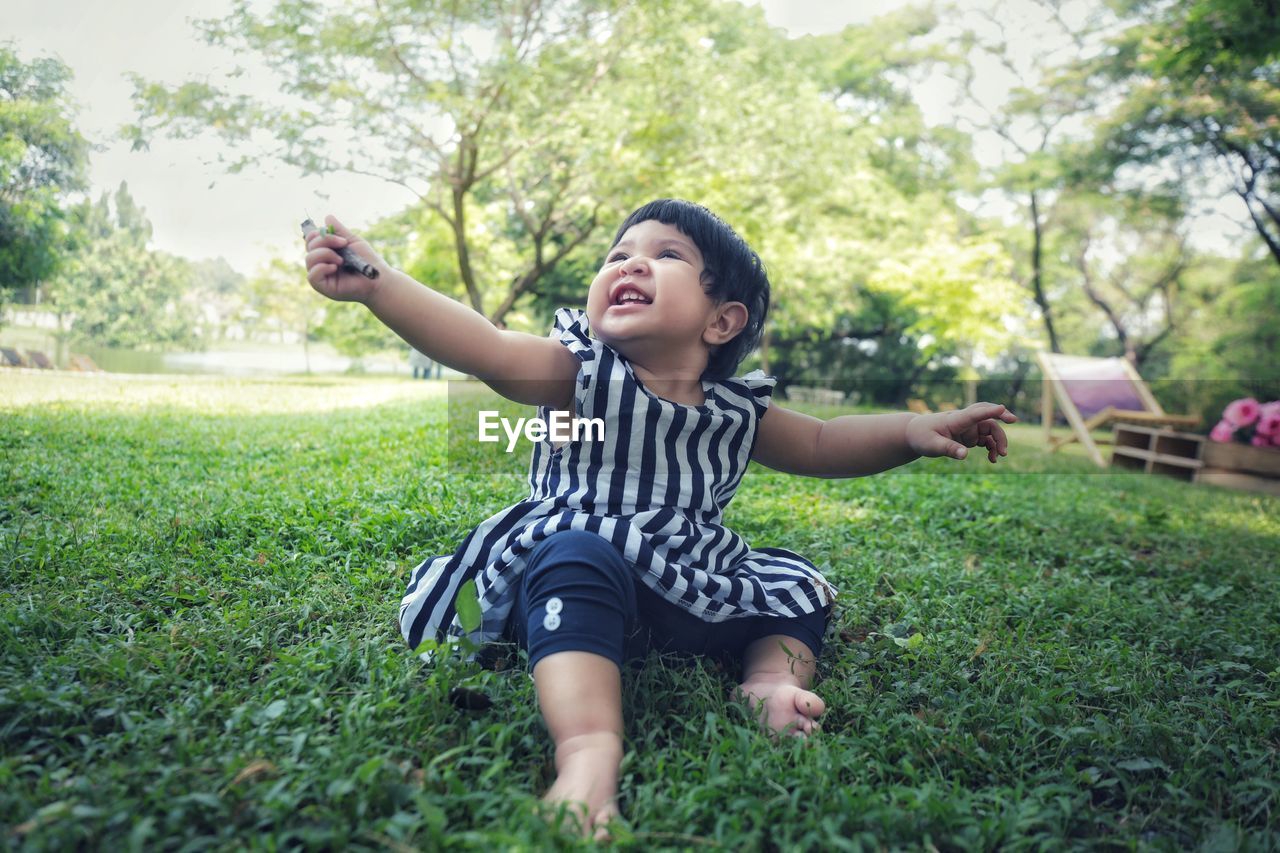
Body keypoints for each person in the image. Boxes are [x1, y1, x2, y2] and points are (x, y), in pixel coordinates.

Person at [304, 199, 1016, 836]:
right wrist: (380, 285)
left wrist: (914, 429)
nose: (630, 263)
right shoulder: (574, 372)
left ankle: (768, 681)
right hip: (572, 572)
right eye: (618, 254)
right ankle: (587, 753)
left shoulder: (736, 411)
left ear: (722, 320)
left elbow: (828, 441)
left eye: (665, 255)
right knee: (578, 551)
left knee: (796, 583)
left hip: (684, 580)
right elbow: (484, 346)